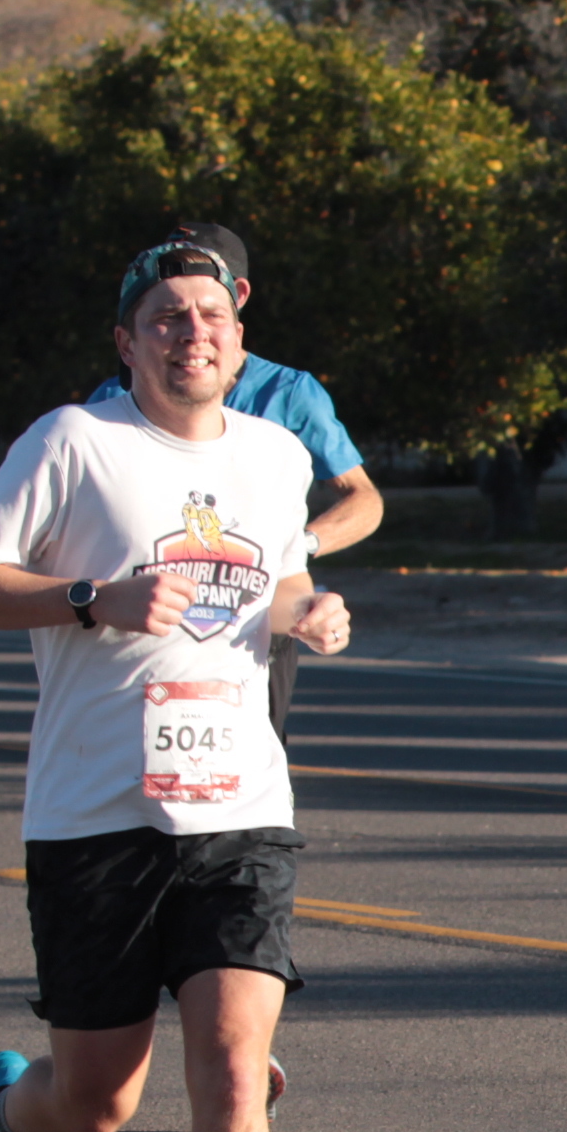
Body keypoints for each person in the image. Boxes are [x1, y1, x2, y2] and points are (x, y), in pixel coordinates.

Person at [0, 235, 355, 1132]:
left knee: (235, 1075)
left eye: (209, 314)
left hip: (240, 809)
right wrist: (87, 599)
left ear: (240, 334)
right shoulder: (72, 443)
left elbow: (272, 582)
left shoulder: (274, 456)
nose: (190, 333)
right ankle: (5, 1118)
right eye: (166, 316)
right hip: (96, 819)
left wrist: (309, 611)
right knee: (98, 1102)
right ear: (127, 341)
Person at [88, 222, 382, 744]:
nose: (188, 320)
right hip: (143, 624)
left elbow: (364, 499)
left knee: (247, 762)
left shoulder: (288, 393)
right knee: (130, 761)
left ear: (237, 294)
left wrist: (294, 549)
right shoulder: (107, 404)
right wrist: (87, 597)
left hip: (252, 618)